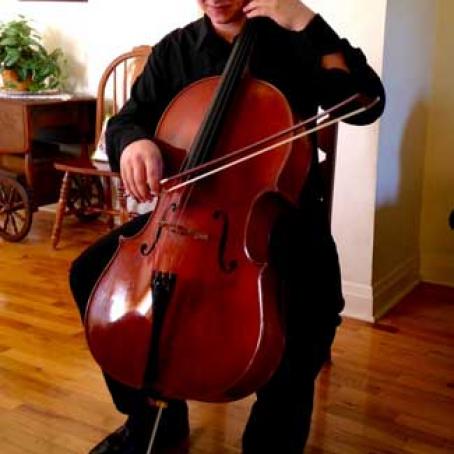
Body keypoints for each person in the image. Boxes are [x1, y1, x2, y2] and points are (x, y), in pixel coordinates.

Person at [69, 1, 385, 453]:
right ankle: (153, 416)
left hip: (283, 222)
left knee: (310, 318)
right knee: (89, 275)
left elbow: (366, 104)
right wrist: (133, 142)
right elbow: (126, 119)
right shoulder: (177, 49)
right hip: (181, 218)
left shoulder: (295, 41)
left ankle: (270, 442)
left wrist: (304, 21)